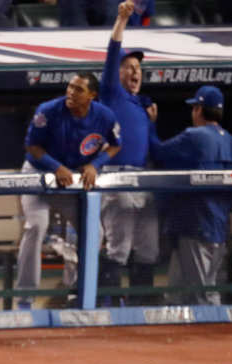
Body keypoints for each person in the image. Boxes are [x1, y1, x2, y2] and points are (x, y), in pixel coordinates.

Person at [15, 72, 122, 309]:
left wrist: (95, 164)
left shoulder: (104, 116)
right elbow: (31, 146)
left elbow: (115, 145)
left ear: (92, 95)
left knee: (94, 231)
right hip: (38, 173)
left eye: (79, 89)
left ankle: (78, 290)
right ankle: (25, 299)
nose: (71, 92)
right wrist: (56, 167)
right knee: (36, 226)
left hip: (69, 179)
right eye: (70, 87)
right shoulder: (49, 110)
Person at [148, 85, 232, 306]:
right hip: (218, 228)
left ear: (199, 110)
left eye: (195, 107)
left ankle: (218, 336)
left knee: (203, 295)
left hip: (194, 225)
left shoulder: (194, 136)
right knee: (179, 293)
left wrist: (151, 125)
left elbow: (157, 153)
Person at [98, 0, 158, 306]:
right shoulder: (111, 93)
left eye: (138, 68)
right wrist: (121, 21)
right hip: (115, 179)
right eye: (129, 67)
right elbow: (111, 55)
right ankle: (108, 307)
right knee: (119, 248)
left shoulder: (142, 106)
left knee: (149, 247)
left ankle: (141, 307)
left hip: (143, 178)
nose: (135, 72)